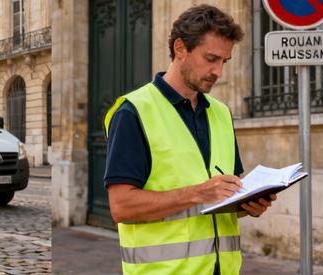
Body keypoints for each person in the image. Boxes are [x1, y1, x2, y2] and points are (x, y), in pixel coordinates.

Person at [102, 5, 274, 274]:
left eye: (224, 62)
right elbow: (121, 206)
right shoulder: (133, 112)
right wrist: (197, 193)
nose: (219, 71)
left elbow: (221, 201)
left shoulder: (221, 114)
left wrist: (248, 205)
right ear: (180, 48)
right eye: (211, 59)